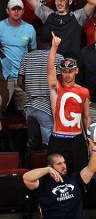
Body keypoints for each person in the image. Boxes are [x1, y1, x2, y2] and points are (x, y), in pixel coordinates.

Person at [23, 139, 96, 219]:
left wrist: (95, 149)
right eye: (59, 164)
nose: (64, 166)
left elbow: (91, 168)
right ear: (50, 167)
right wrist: (47, 170)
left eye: (64, 162)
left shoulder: (75, 178)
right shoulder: (43, 183)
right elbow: (26, 178)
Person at [47, 33, 91, 174]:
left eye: (70, 71)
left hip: (77, 139)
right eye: (64, 71)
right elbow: (49, 70)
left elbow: (86, 117)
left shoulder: (84, 91)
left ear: (76, 71)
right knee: (56, 177)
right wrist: (54, 47)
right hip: (59, 138)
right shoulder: (56, 88)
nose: (67, 74)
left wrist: (89, 139)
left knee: (79, 176)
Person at [18, 26, 63, 162]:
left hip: (30, 108)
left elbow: (20, 81)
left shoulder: (26, 57)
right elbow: (60, 82)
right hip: (46, 107)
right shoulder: (57, 57)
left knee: (32, 144)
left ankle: (29, 168)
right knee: (48, 145)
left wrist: (32, 91)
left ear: (37, 39)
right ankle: (48, 173)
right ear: (52, 39)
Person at [26, 0, 96, 58]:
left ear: (70, 2)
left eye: (63, 0)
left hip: (70, 64)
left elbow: (93, 2)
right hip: (51, 62)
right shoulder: (48, 14)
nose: (59, 3)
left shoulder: (77, 17)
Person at [0, 0, 36, 118]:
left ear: (23, 11)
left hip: (22, 78)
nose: (16, 12)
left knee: (26, 112)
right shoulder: (0, 26)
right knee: (1, 110)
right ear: (7, 11)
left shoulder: (30, 29)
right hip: (4, 79)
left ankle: (27, 137)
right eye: (13, 9)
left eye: (18, 9)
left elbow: (33, 52)